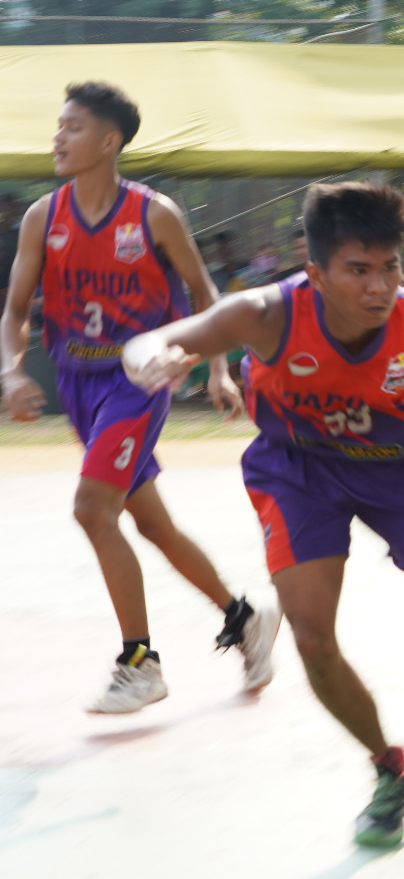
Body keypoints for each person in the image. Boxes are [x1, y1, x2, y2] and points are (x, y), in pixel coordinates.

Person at [120, 181, 404, 847]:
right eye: (358, 271)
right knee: (313, 639)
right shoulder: (263, 315)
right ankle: (390, 770)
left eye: (390, 268)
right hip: (300, 472)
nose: (379, 287)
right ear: (314, 273)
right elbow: (161, 338)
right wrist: (157, 357)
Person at [0, 81, 277, 714]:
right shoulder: (44, 217)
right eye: (59, 126)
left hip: (139, 382)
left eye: (73, 127)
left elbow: (208, 299)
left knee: (93, 511)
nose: (58, 137)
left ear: (109, 140)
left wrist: (219, 370)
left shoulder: (154, 214)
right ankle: (244, 617)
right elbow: (14, 310)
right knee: (149, 523)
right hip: (77, 385)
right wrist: (13, 371)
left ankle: (139, 662)